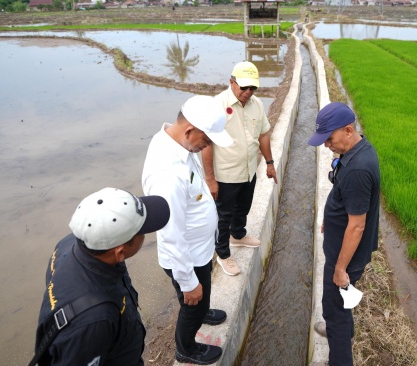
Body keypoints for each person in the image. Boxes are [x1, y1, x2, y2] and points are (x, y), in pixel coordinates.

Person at [142, 95, 233, 365]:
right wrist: (187, 282)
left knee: (200, 295)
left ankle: (201, 310)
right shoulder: (166, 173)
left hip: (199, 249)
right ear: (190, 130)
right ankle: (186, 349)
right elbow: (171, 235)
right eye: (206, 140)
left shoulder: (180, 143)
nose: (207, 146)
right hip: (187, 257)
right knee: (192, 301)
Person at [34, 187, 170, 366]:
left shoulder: (71, 244)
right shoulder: (94, 321)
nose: (145, 234)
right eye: (141, 231)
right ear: (120, 252)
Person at [307, 102, 380, 366]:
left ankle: (339, 349)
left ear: (348, 130)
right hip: (344, 250)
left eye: (329, 139)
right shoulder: (358, 149)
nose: (327, 144)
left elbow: (357, 226)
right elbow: (349, 203)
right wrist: (330, 217)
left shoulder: (358, 170)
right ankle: (345, 331)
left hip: (345, 258)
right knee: (341, 304)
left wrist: (340, 269)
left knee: (333, 311)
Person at [202, 61, 277, 276]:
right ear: (231, 82)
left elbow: (263, 134)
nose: (248, 92)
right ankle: (223, 254)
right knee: (223, 215)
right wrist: (210, 179)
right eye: (243, 87)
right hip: (226, 174)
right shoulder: (217, 106)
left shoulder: (257, 105)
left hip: (249, 170)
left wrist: (270, 163)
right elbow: (206, 143)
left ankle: (238, 235)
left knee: (243, 207)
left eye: (252, 88)